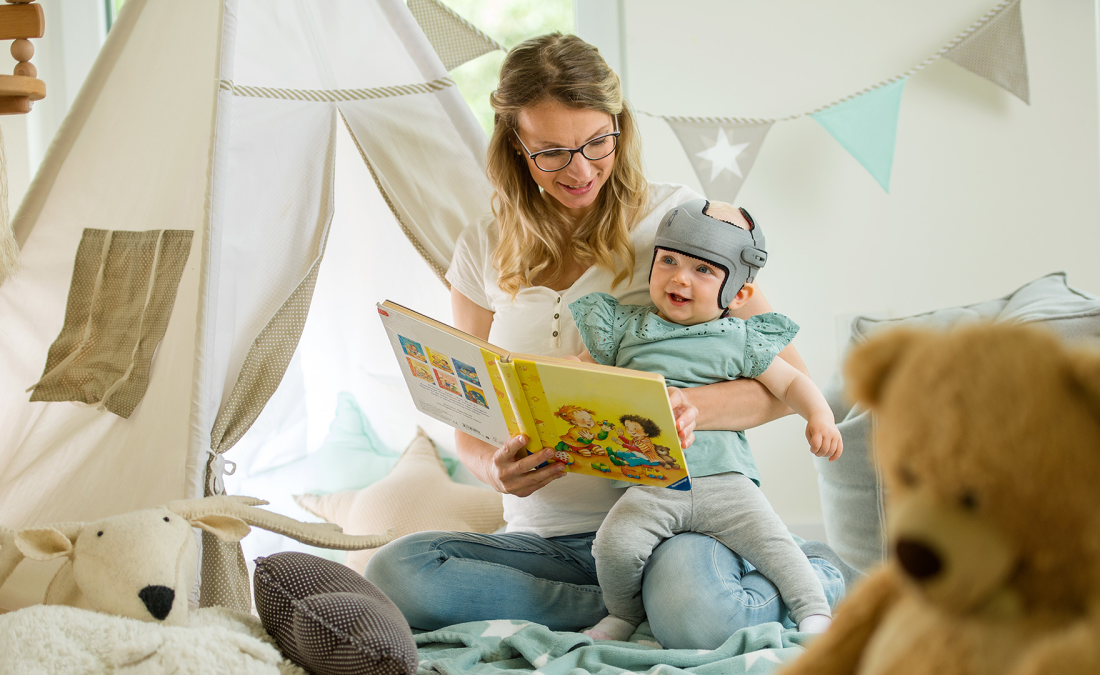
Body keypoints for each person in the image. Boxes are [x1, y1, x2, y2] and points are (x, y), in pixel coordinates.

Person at [364, 33, 849, 649]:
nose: (582, 169)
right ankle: (634, 603)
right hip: (549, 542)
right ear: (517, 146)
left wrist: (690, 407)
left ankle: (807, 578)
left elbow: (785, 380)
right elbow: (471, 410)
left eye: (598, 142)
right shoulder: (482, 245)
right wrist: (494, 469)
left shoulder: (680, 223)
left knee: (696, 614)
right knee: (397, 573)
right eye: (553, 152)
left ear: (619, 125)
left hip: (675, 523)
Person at [568, 198, 842, 642]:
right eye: (669, 261)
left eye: (704, 270)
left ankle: (815, 612)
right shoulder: (625, 330)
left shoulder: (738, 337)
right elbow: (577, 370)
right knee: (613, 545)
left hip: (726, 484)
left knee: (776, 547)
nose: (679, 277)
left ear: (737, 294)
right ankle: (624, 615)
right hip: (651, 484)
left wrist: (821, 417)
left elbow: (792, 384)